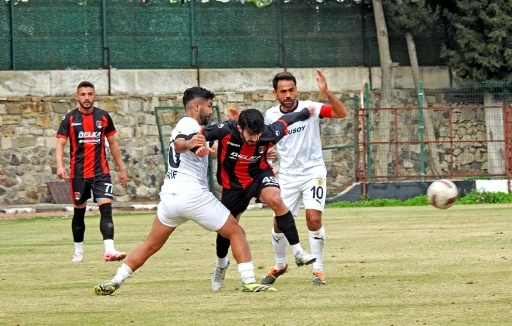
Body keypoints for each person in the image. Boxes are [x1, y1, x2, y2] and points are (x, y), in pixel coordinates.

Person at [93, 87, 277, 295]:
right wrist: (189, 143)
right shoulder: (188, 123)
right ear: (197, 105)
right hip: (192, 195)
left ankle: (115, 281)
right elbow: (182, 143)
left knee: (150, 245)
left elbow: (210, 151)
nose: (209, 111)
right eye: (208, 106)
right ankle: (249, 281)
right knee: (236, 232)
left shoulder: (192, 129)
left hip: (170, 198)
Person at [201, 107, 317, 292]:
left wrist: (305, 112)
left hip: (258, 176)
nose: (254, 138)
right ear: (240, 128)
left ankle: (298, 251)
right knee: (227, 229)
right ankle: (221, 265)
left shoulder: (268, 133)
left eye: (257, 134)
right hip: (233, 185)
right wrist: (196, 145)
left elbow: (287, 119)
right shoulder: (224, 130)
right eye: (250, 134)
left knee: (276, 200)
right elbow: (197, 134)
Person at [262, 70, 348, 286]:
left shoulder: (311, 108)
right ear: (275, 94)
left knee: (313, 219)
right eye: (283, 91)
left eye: (291, 90)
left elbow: (341, 113)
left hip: (313, 173)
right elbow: (267, 142)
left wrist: (326, 92)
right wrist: (267, 154)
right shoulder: (271, 115)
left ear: (296, 90)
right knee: (279, 224)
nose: (288, 95)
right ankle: (280, 265)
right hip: (288, 176)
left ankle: (318, 270)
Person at [56, 81, 128, 263]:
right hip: (78, 174)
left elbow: (113, 144)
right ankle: (78, 252)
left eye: (90, 94)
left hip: (101, 173)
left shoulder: (103, 117)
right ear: (77, 97)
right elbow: (60, 144)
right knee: (79, 212)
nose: (86, 98)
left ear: (95, 96)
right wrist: (60, 166)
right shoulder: (70, 119)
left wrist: (122, 169)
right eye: (83, 94)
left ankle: (109, 250)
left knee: (106, 209)